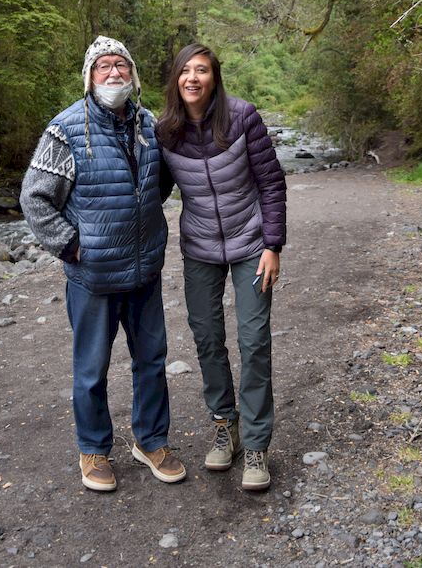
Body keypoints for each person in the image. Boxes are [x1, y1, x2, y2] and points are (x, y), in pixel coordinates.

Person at [20, 35, 186, 493]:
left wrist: (144, 226)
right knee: (91, 369)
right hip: (92, 275)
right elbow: (34, 199)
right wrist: (72, 245)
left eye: (121, 65)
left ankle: (151, 441)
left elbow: (162, 183)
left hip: (144, 269)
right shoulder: (65, 129)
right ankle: (93, 450)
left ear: (132, 74)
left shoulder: (150, 125)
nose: (114, 73)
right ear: (90, 77)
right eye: (103, 67)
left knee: (151, 360)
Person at [156, 43, 286, 491]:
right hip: (200, 249)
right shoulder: (165, 132)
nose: (193, 78)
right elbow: (150, 189)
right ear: (176, 79)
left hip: (252, 244)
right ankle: (224, 425)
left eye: (202, 70)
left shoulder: (242, 117)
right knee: (208, 338)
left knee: (254, 341)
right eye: (185, 71)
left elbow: (271, 182)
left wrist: (273, 244)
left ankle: (255, 446)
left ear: (215, 77)